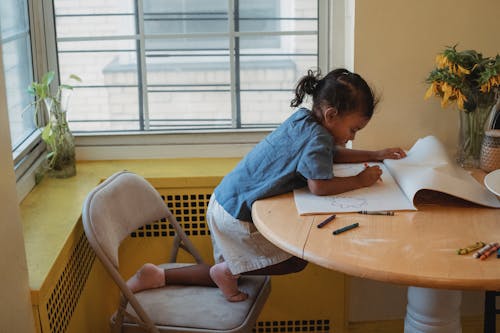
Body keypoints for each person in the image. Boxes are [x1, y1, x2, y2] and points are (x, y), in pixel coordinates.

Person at [126, 68, 407, 302]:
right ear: (331, 115)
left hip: (224, 201)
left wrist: (376, 154)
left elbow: (331, 154)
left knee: (234, 268)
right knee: (296, 260)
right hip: (238, 216)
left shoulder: (304, 121)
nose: (351, 138)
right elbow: (319, 186)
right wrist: (360, 180)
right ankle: (225, 272)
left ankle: (158, 275)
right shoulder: (319, 138)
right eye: (353, 130)